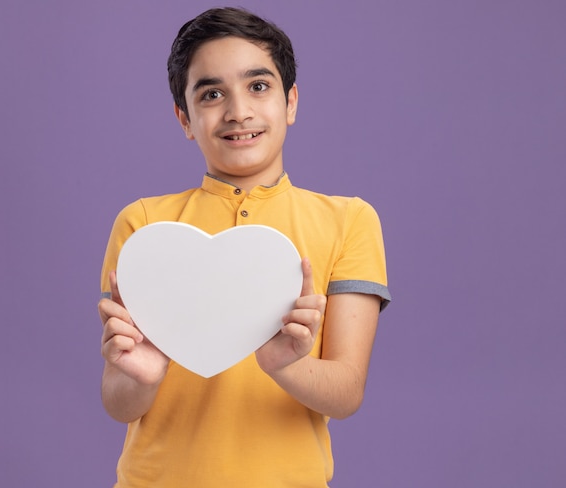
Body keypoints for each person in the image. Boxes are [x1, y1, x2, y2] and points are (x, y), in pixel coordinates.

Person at [98, 7, 391, 487]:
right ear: (185, 118)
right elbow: (117, 401)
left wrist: (288, 365)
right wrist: (139, 376)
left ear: (291, 102)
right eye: (211, 94)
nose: (238, 112)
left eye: (258, 86)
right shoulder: (145, 226)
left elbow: (346, 392)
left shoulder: (350, 221)